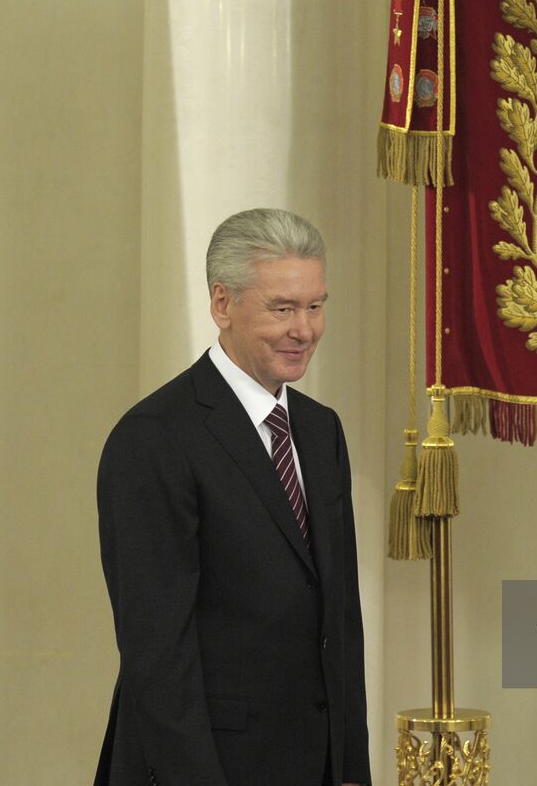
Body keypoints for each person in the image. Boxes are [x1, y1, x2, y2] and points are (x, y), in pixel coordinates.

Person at [95, 208, 370, 786]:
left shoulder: (322, 432)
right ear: (222, 304)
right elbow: (157, 654)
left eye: (315, 306)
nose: (305, 329)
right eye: (282, 308)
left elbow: (340, 625)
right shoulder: (154, 438)